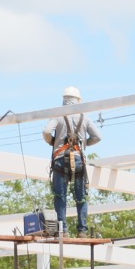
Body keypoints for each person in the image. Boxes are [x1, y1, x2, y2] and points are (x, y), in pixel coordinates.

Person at [46, 87, 99, 236]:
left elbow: (46, 131)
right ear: (78, 100)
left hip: (60, 159)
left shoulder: (57, 115)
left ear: (64, 99)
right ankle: (82, 230)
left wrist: (53, 142)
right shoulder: (85, 118)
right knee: (81, 197)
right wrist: (84, 144)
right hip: (78, 159)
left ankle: (63, 231)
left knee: (60, 196)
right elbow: (97, 136)